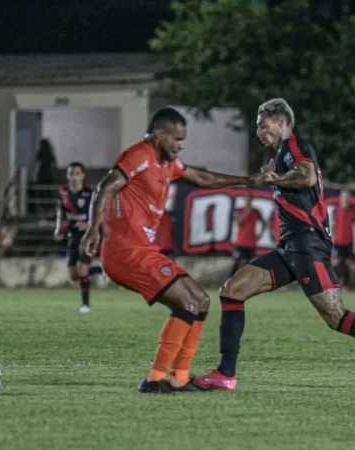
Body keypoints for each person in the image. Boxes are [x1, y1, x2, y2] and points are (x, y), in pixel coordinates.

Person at [193, 98, 355, 392]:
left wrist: (275, 178)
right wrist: (275, 176)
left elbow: (307, 176)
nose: (259, 132)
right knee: (232, 290)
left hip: (307, 245)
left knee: (336, 317)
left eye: (263, 124)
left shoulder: (294, 146)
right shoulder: (282, 156)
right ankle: (225, 374)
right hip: (289, 249)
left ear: (281, 121)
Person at [81, 107, 269, 394]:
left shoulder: (167, 163)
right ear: (160, 135)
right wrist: (93, 229)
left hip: (145, 251)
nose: (181, 145)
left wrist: (248, 180)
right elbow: (105, 188)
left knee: (201, 301)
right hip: (126, 252)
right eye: (177, 139)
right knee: (187, 304)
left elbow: (203, 178)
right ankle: (154, 380)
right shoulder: (139, 156)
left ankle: (179, 378)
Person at [54, 162, 104, 314]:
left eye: (77, 174)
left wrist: (89, 224)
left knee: (82, 271)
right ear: (67, 175)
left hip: (88, 236)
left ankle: (85, 304)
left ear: (83, 176)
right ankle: (99, 269)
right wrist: (58, 228)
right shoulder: (63, 192)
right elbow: (60, 211)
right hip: (72, 236)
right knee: (73, 276)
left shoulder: (90, 194)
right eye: (71, 174)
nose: (74, 177)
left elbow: (101, 214)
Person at [230, 192, 262, 276]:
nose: (248, 201)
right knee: (236, 264)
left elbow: (264, 223)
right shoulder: (239, 210)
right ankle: (230, 279)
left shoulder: (256, 211)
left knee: (251, 265)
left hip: (251, 243)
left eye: (250, 199)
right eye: (247, 199)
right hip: (241, 242)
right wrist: (247, 213)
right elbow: (238, 222)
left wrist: (260, 235)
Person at [331, 190, 355, 291]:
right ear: (340, 198)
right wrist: (332, 237)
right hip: (338, 241)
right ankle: (334, 283)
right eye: (344, 197)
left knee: (348, 263)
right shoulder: (336, 210)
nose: (345, 199)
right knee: (336, 262)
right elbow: (333, 225)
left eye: (347, 197)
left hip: (349, 241)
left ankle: (346, 284)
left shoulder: (352, 210)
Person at [34, 138, 57, 216]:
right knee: (49, 193)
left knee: (41, 193)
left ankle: (43, 209)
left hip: (41, 176)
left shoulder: (40, 153)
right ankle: (49, 210)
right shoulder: (50, 154)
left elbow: (37, 165)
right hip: (49, 176)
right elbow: (54, 166)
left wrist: (35, 176)